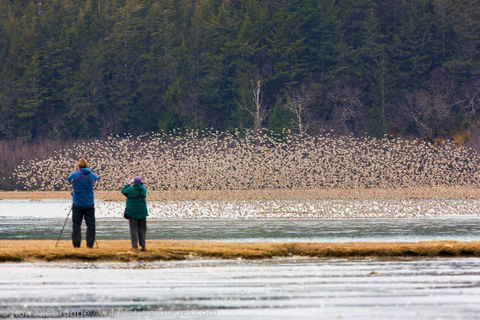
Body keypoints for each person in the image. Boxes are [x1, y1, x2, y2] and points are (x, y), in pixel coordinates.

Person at [67, 158, 98, 248]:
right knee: (91, 225)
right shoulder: (92, 175)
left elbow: (69, 179)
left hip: (77, 203)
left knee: (76, 225)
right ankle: (90, 245)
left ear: (78, 166)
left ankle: (76, 245)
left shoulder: (75, 175)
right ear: (87, 165)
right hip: (89, 203)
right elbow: (96, 178)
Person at [122, 176, 149, 251]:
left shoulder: (130, 189)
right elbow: (141, 188)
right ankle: (143, 245)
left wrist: (128, 184)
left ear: (133, 182)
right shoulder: (143, 189)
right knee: (142, 229)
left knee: (133, 229)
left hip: (132, 212)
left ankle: (135, 246)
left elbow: (123, 191)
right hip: (142, 212)